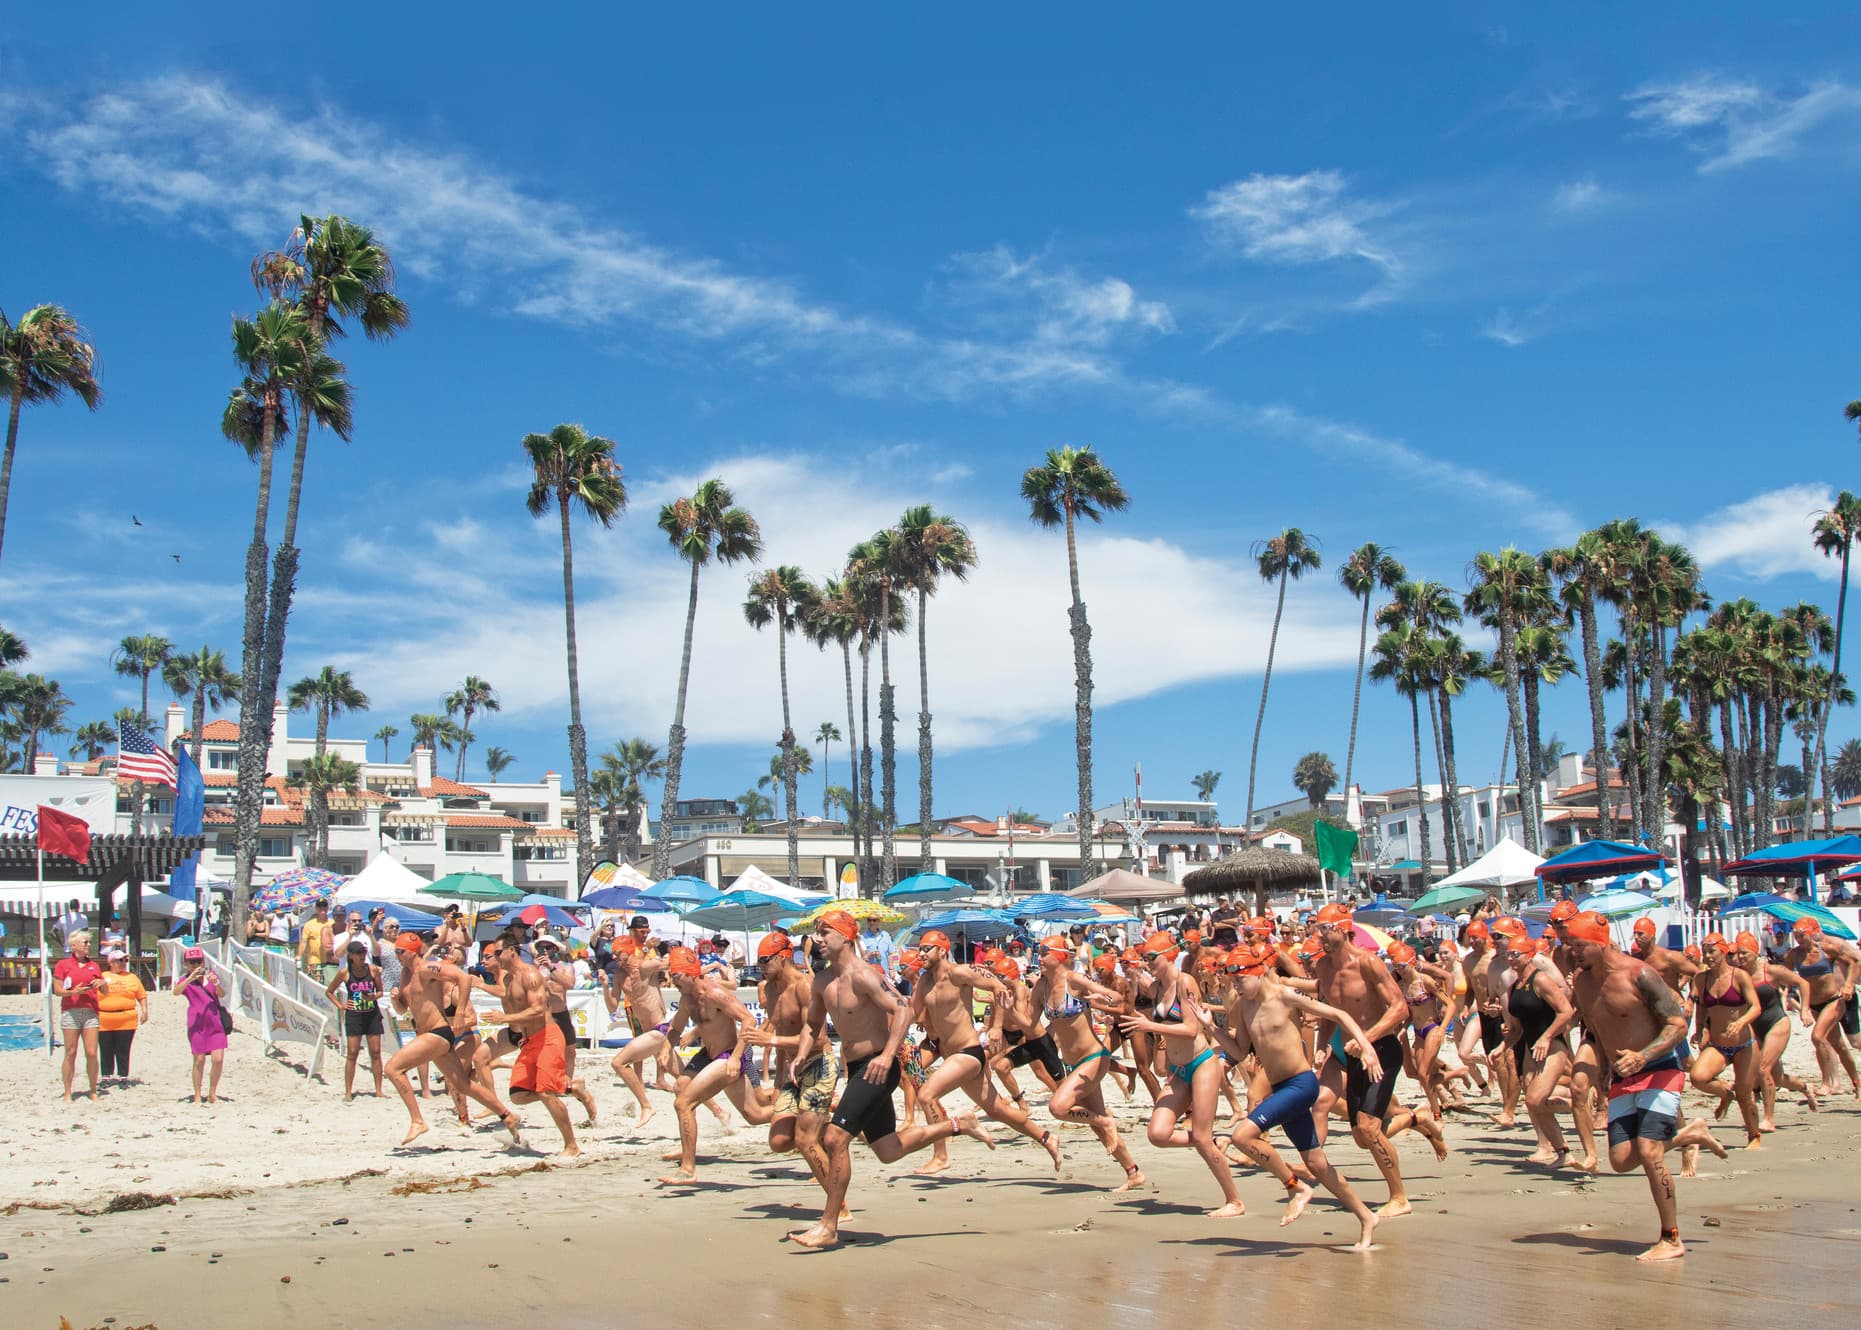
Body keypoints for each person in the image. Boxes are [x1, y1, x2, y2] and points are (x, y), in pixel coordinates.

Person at [783, 911, 994, 1249]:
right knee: (887, 1150)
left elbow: (902, 1011)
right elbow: (812, 1026)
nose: (817, 940)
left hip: (879, 1067)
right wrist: (800, 1055)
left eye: (825, 933)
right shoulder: (822, 982)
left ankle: (829, 1225)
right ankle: (959, 1124)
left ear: (845, 937)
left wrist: (886, 1056)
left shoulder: (864, 976)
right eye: (816, 933)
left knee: (835, 1140)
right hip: (857, 1069)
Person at [1562, 911, 1725, 1263]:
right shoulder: (1582, 981)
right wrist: (1603, 1073)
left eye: (1579, 945)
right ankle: (1690, 1133)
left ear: (1600, 943)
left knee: (1651, 1153)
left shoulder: (1640, 975)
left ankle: (1671, 1237)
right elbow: (1597, 1028)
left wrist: (1643, 1055)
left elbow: (1678, 1024)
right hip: (1623, 1076)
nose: (1572, 951)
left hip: (1659, 1068)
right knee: (1621, 1161)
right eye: (1569, 945)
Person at [1196, 941, 1382, 1249]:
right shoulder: (1242, 1007)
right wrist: (1210, 1029)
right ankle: (1366, 1216)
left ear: (1259, 972)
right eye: (1231, 979)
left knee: (1242, 1137)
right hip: (1281, 1086)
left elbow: (1339, 1015)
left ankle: (1296, 1188)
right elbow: (1240, 1051)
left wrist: (1367, 1047)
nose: (1235, 984)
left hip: (1302, 1083)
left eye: (1240, 978)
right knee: (1318, 1165)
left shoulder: (1284, 997)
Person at [1309, 903, 1443, 1219]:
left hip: (1381, 1051)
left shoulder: (1367, 963)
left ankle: (1399, 1197)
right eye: (1318, 929)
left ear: (1343, 929)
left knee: (1369, 1129)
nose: (1320, 936)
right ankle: (1416, 1119)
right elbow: (1331, 1011)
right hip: (1353, 1054)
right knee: (1360, 1137)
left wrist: (1366, 1038)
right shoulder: (1323, 968)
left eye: (1325, 929)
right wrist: (1322, 1045)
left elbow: (1399, 1009)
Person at [908, 929, 1065, 1169]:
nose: (921, 953)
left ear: (942, 950)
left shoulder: (959, 972)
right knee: (998, 1110)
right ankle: (1046, 1138)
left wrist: (996, 1028)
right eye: (919, 949)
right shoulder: (925, 982)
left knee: (926, 1095)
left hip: (968, 1052)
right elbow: (913, 1012)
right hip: (951, 1055)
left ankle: (941, 1156)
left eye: (926, 948)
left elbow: (998, 988)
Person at [1119, 930, 1245, 1216]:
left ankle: (1234, 1201)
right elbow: (1158, 1025)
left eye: (1152, 957)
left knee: (1200, 1138)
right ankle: (1216, 1141)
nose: (1147, 962)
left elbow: (1191, 1030)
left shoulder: (1184, 982)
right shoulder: (1155, 989)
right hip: (1178, 1069)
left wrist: (1150, 1027)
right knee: (1158, 1134)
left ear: (1169, 956)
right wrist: (1161, 1060)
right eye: (1145, 957)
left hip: (1201, 1063)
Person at [382, 933, 522, 1147]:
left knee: (392, 1069)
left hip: (437, 1033)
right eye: (396, 952)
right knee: (462, 1085)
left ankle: (418, 1121)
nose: (397, 956)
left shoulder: (427, 968)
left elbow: (463, 978)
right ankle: (506, 1115)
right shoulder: (405, 974)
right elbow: (403, 1009)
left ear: (412, 952)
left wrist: (460, 1012)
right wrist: (396, 1000)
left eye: (400, 952)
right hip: (426, 1033)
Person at [655, 945, 774, 1184]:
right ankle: (688, 1146)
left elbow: (748, 1019)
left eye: (676, 975)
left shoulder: (714, 994)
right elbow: (675, 1027)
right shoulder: (687, 998)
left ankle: (688, 1168)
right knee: (753, 1114)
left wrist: (735, 1057)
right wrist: (666, 1049)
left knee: (684, 1103)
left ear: (690, 973)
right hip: (709, 1054)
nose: (672, 980)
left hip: (728, 1055)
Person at [481, 929, 594, 1156]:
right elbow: (516, 1004)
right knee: (518, 1095)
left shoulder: (530, 975)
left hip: (549, 1037)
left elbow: (537, 1010)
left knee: (544, 1092)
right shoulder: (510, 978)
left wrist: (505, 1019)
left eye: (498, 952)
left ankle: (571, 1146)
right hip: (530, 1039)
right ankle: (572, 1088)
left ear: (512, 951)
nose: (496, 957)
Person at [1730, 930, 1818, 1127]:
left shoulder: (1770, 971)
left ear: (1755, 952)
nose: (1741, 957)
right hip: (1756, 1027)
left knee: (1762, 1070)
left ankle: (1769, 1119)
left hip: (1776, 1023)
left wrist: (1804, 1010)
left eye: (1745, 952)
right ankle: (1805, 1087)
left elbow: (1802, 983)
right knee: (1776, 1077)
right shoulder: (1738, 975)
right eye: (1739, 953)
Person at [1687, 932, 1763, 1149]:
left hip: (1744, 1045)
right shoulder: (1701, 979)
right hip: (1718, 1044)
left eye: (1712, 952)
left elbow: (1756, 1006)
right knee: (1698, 1077)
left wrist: (1741, 1022)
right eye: (1705, 952)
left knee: (1745, 1095)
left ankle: (1753, 1135)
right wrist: (1699, 1028)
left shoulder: (1738, 976)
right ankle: (1725, 1093)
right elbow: (1702, 1006)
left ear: (1722, 952)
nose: (1708, 956)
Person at [1782, 917, 1860, 1096]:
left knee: (1818, 1037)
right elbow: (1785, 976)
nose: (1799, 939)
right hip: (1815, 1005)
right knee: (1838, 1046)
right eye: (1796, 935)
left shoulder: (1828, 949)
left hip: (1833, 1001)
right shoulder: (1793, 955)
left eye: (1802, 935)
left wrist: (1849, 984)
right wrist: (1792, 998)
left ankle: (1827, 1082)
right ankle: (1856, 1083)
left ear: (1811, 934)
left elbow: (1854, 962)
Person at [326, 939, 386, 1102]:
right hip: (354, 1015)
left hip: (372, 1013)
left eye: (364, 952)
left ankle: (379, 1090)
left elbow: (380, 991)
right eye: (359, 953)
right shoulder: (345, 973)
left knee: (375, 1052)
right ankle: (348, 1091)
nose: (362, 956)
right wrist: (341, 1006)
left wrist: (374, 996)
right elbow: (329, 991)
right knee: (352, 1053)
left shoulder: (372, 970)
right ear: (351, 955)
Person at [53, 930, 104, 1102]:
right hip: (71, 1010)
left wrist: (101, 984)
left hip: (90, 1011)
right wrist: (73, 992)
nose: (88, 945)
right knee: (70, 1051)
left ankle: (93, 1089)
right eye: (85, 942)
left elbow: (105, 990)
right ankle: (68, 1091)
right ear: (73, 946)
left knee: (91, 1052)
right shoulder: (63, 965)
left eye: (89, 942)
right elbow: (57, 990)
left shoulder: (94, 966)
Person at [173, 946, 227, 1105]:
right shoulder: (185, 980)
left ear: (203, 962)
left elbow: (221, 994)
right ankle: (197, 1094)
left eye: (197, 962)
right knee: (199, 1059)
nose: (195, 965)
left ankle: (212, 1093)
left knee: (218, 1059)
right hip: (197, 1022)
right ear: (186, 964)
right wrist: (190, 978)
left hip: (215, 1022)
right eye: (191, 963)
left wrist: (215, 983)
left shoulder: (211, 976)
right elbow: (176, 992)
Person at [96, 948, 149, 1087]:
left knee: (123, 1048)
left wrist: (144, 1010)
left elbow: (141, 995)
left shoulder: (131, 977)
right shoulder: (102, 976)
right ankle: (106, 1076)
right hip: (105, 1018)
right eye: (120, 960)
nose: (124, 963)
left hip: (126, 1018)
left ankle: (123, 1076)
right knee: (106, 1048)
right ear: (111, 962)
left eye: (125, 960)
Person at [297, 899, 336, 983]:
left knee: (330, 984)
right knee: (317, 985)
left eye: (324, 906)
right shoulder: (309, 924)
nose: (322, 908)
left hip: (330, 960)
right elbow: (303, 941)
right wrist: (299, 955)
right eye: (319, 906)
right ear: (316, 908)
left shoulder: (333, 923)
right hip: (315, 960)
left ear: (327, 908)